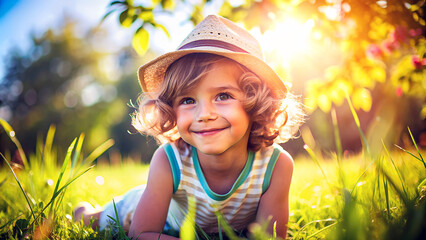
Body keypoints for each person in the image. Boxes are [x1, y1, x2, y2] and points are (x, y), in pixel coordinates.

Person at [74, 14, 304, 239]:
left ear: (256, 102)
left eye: (223, 96)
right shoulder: (169, 160)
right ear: (170, 109)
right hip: (152, 213)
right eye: (187, 100)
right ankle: (83, 213)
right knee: (99, 220)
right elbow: (142, 233)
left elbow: (269, 236)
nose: (204, 115)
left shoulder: (276, 166)